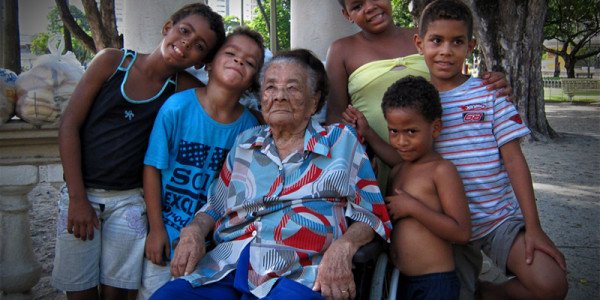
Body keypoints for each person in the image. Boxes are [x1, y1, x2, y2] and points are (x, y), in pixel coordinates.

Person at [150, 49, 392, 300]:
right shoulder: (246, 142)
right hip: (225, 268)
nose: (279, 97)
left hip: (299, 273)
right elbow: (215, 207)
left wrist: (344, 247)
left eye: (293, 88)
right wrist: (194, 231)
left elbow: (372, 215)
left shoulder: (340, 141)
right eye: (270, 88)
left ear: (314, 101)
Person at [51, 4, 226, 300]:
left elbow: (221, 101)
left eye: (199, 46)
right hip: (81, 195)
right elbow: (69, 126)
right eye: (184, 31)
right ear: (167, 26)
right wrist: (78, 198)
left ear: (202, 60)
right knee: (79, 292)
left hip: (130, 202)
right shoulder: (112, 63)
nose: (186, 43)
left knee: (117, 293)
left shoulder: (181, 88)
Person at [413, 1, 568, 299]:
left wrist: (533, 227)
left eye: (457, 41)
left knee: (552, 284)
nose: (446, 50)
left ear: (471, 46)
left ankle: (490, 293)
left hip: (496, 218)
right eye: (436, 40)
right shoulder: (416, 99)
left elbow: (514, 160)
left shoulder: (490, 93)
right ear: (419, 43)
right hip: (444, 222)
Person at [326, 0, 513, 191]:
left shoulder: (431, 35)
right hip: (378, 159)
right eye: (357, 6)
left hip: (444, 148)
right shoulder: (341, 50)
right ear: (347, 15)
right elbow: (334, 116)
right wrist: (354, 154)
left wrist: (489, 82)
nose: (370, 7)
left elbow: (456, 78)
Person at [137, 27, 265, 299]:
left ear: (253, 81)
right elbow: (152, 168)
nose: (239, 61)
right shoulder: (177, 107)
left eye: (250, 62)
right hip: (166, 232)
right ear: (209, 62)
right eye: (230, 53)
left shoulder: (251, 129)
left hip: (215, 247)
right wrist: (156, 228)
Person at [382, 76, 471, 300]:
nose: (401, 141)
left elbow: (461, 232)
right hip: (399, 280)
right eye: (394, 131)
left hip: (436, 282)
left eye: (411, 131)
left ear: (435, 128)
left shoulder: (441, 170)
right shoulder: (397, 171)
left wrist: (413, 208)